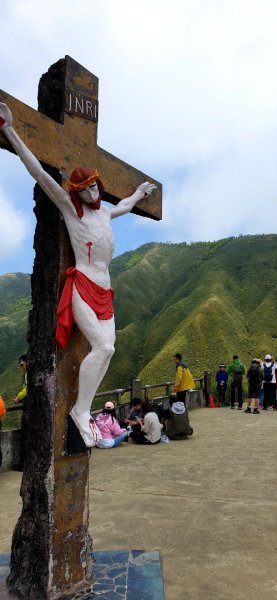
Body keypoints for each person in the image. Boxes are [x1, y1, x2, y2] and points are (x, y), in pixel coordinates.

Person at [0, 102, 156, 448]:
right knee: (100, 345)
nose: (91, 193)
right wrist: (9, 129)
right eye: (83, 189)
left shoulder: (105, 214)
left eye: (93, 187)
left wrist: (140, 193)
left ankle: (84, 409)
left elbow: (125, 206)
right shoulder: (73, 210)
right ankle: (80, 410)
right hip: (83, 285)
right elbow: (40, 174)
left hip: (106, 289)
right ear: (76, 192)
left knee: (109, 348)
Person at [12, 354, 29, 470]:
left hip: (29, 409)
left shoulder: (29, 374)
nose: (21, 367)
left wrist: (18, 397)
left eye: (22, 364)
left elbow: (27, 389)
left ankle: (23, 464)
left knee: (25, 435)